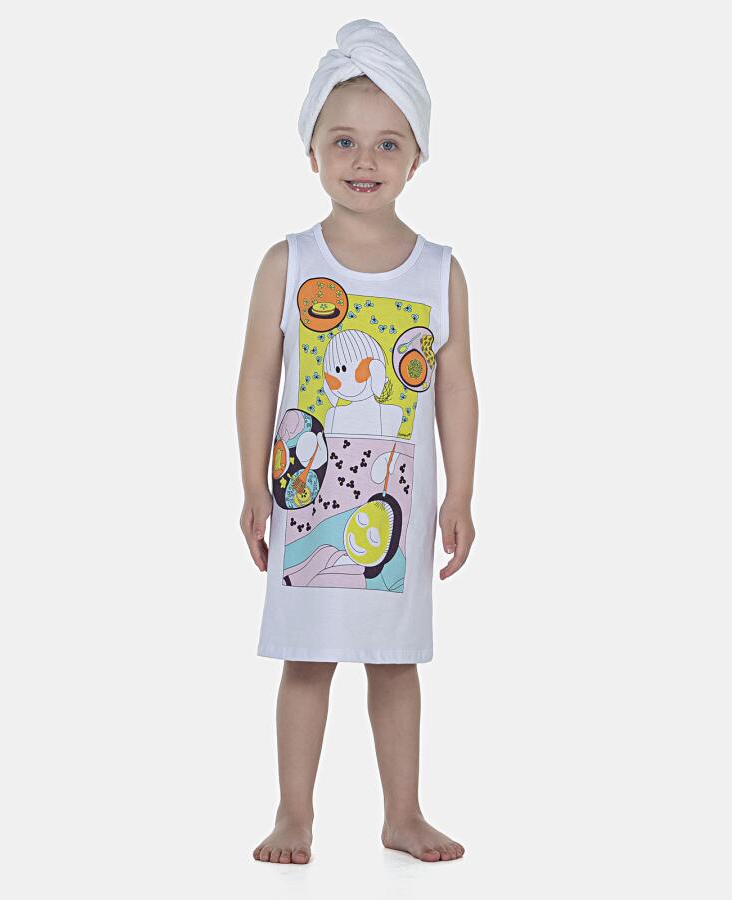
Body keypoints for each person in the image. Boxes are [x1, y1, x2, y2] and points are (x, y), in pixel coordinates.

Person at [236, 19, 478, 864]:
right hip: (305, 501)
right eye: (343, 140)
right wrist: (253, 486)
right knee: (306, 659)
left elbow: (456, 388)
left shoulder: (438, 271)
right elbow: (257, 379)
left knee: (394, 660)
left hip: (396, 508)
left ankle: (403, 814)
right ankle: (293, 813)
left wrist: (459, 494)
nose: (363, 160)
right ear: (312, 151)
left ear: (417, 159)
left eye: (387, 143)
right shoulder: (289, 262)